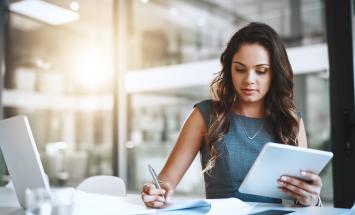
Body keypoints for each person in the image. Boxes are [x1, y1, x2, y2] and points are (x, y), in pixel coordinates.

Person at [141, 22, 323, 208]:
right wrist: (156, 192)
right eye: (240, 69)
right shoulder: (205, 115)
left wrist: (312, 199)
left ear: (275, 73)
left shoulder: (290, 121)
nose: (249, 80)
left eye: (261, 71)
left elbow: (303, 201)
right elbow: (166, 181)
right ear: (229, 70)